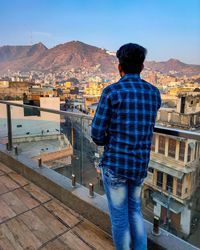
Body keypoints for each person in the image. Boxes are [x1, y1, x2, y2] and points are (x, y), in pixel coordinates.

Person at [91, 43, 161, 250]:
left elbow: (96, 132)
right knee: (135, 210)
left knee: (119, 217)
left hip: (116, 165)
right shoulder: (154, 93)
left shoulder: (112, 92)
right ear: (142, 67)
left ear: (119, 66)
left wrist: (107, 141)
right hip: (139, 165)